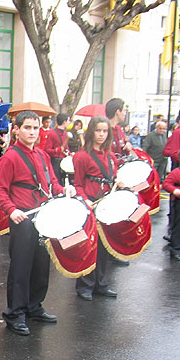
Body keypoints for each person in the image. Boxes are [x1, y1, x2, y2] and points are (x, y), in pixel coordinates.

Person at [0, 111, 74, 336]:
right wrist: (12, 210)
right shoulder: (10, 157)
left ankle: (34, 306)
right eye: (27, 127)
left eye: (35, 128)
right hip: (24, 218)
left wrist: (64, 190)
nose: (32, 132)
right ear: (16, 129)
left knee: (41, 265)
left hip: (44, 216)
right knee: (21, 268)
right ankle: (15, 313)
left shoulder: (42, 155)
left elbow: (52, 184)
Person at [72, 116, 119, 300]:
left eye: (105, 131)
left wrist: (118, 182)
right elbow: (78, 184)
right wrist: (85, 200)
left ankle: (100, 283)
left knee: (104, 246)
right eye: (98, 130)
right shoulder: (82, 156)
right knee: (87, 247)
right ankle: (84, 285)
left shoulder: (111, 156)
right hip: (90, 205)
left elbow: (111, 179)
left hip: (106, 205)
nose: (101, 134)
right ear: (91, 131)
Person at [44, 113, 70, 184]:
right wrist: (56, 150)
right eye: (68, 121)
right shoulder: (52, 133)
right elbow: (46, 150)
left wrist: (70, 153)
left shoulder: (65, 133)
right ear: (64, 122)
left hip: (63, 161)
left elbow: (66, 148)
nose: (69, 123)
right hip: (55, 162)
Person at [162, 167, 180, 260]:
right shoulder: (176, 172)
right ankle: (175, 249)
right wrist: (174, 190)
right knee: (178, 227)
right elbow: (166, 184)